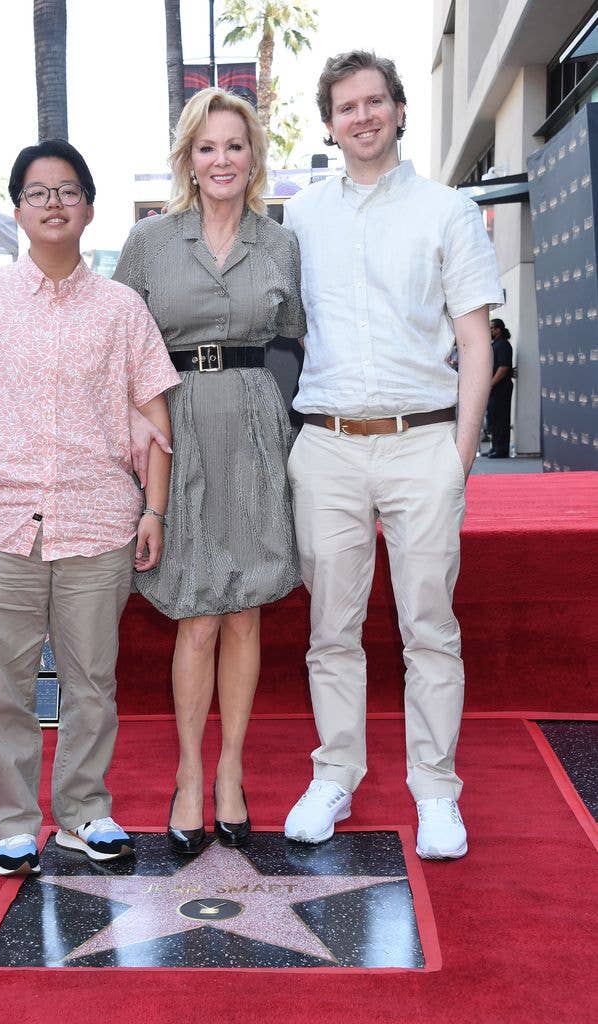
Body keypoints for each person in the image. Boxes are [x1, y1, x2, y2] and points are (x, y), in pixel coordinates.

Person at [0, 139, 179, 877]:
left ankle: (84, 811)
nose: (54, 203)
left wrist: (154, 511)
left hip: (98, 521)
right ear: (18, 210)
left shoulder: (122, 308)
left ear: (89, 209)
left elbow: (153, 413)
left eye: (68, 191)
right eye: (38, 192)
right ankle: (11, 823)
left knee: (91, 681)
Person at [281, 51, 503, 860]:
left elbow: (476, 340)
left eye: (375, 101)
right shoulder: (300, 217)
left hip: (423, 443)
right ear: (329, 123)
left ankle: (436, 790)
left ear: (400, 109)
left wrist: (460, 454)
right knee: (330, 628)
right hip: (328, 445)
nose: (363, 116)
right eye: (346, 107)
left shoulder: (448, 210)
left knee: (429, 627)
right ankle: (335, 773)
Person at [114, 87, 306, 851]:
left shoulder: (281, 243)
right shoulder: (150, 242)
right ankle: (189, 776)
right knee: (197, 616)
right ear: (187, 159)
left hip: (255, 425)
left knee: (245, 611)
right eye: (207, 146)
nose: (221, 159)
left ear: (253, 157)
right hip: (177, 422)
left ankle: (232, 773)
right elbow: (119, 345)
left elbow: (293, 335)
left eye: (234, 145)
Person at [485, 318, 514, 458]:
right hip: (494, 388)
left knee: (501, 419)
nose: (489, 331)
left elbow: (503, 368)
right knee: (494, 417)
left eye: (491, 328)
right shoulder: (494, 344)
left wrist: (490, 384)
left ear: (498, 330)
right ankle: (495, 446)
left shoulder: (503, 345)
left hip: (501, 388)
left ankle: (501, 449)